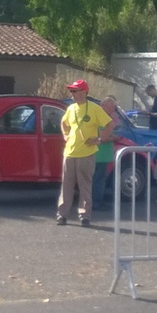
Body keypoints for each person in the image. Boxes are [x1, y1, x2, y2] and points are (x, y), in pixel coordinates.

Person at [59, 80, 115, 227]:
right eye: (71, 91)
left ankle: (84, 216)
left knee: (85, 186)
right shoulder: (71, 108)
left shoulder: (95, 108)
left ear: (84, 92)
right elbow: (63, 123)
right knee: (67, 186)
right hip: (70, 153)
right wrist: (65, 135)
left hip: (86, 154)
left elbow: (110, 124)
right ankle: (62, 215)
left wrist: (99, 139)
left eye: (74, 91)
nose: (72, 94)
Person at [93, 96, 123, 207]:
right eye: (112, 107)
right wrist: (115, 138)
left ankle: (95, 201)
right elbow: (103, 138)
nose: (114, 110)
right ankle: (96, 202)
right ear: (104, 106)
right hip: (100, 155)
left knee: (97, 179)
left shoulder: (100, 116)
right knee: (99, 180)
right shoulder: (102, 119)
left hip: (100, 154)